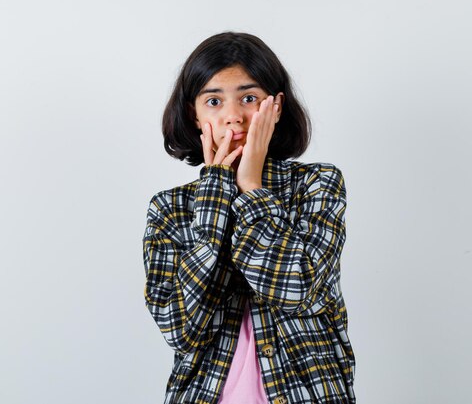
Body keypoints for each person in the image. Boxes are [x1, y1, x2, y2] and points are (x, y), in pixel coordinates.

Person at [142, 31, 356, 404]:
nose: (233, 117)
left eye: (249, 98)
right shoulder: (169, 209)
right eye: (213, 100)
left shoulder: (317, 185)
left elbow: (297, 288)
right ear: (194, 114)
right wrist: (215, 197)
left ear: (275, 107)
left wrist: (252, 188)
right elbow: (180, 330)